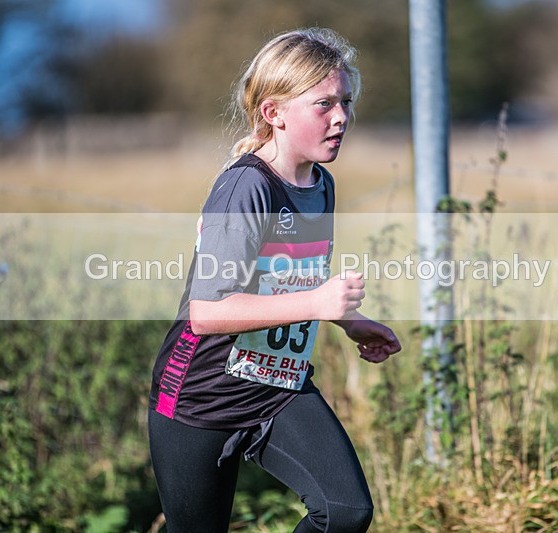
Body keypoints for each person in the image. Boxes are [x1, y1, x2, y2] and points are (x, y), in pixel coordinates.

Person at [148, 27, 401, 533]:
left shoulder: (321, 183)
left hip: (277, 387)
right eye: (324, 104)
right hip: (201, 398)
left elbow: (291, 288)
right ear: (274, 113)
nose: (342, 117)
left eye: (346, 102)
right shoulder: (244, 189)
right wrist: (319, 303)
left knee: (346, 512)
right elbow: (209, 312)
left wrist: (349, 320)